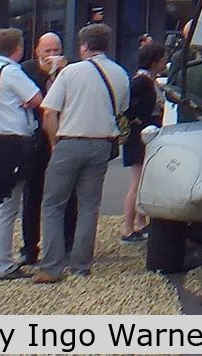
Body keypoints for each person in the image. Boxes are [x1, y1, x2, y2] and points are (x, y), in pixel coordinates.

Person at [33, 23, 130, 283]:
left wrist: (54, 143)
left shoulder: (71, 72)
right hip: (101, 144)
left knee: (53, 204)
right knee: (89, 206)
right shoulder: (121, 74)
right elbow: (120, 110)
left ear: (84, 46)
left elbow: (49, 113)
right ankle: (81, 265)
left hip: (70, 140)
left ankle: (52, 266)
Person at [0, 28, 42, 280]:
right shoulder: (13, 72)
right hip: (13, 141)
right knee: (9, 205)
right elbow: (37, 99)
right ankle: (4, 265)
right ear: (19, 47)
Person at [20, 31, 76, 265]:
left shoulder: (70, 72)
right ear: (37, 51)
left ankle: (67, 244)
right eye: (47, 51)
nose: (52, 56)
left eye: (56, 51)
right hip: (35, 140)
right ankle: (30, 247)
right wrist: (46, 76)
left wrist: (59, 73)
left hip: (63, 135)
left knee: (67, 193)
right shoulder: (27, 71)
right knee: (32, 194)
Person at [119, 40, 164, 243]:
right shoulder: (142, 82)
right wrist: (134, 118)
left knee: (142, 180)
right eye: (162, 58)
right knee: (137, 182)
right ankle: (128, 227)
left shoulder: (148, 80)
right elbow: (124, 102)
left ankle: (139, 221)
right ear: (154, 61)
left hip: (144, 134)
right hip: (140, 136)